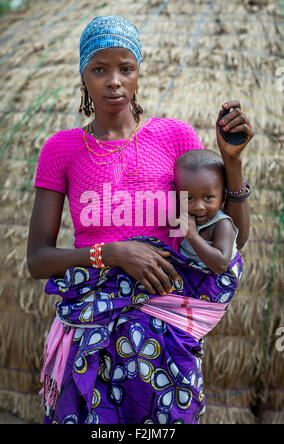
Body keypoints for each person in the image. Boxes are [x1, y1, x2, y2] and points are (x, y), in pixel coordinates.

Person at [27, 16, 254, 424]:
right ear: (83, 76)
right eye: (100, 69)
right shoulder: (61, 150)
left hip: (164, 335)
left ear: (137, 74)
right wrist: (111, 253)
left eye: (125, 68)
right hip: (93, 325)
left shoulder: (175, 138)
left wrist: (232, 164)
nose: (114, 81)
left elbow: (232, 240)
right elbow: (38, 259)